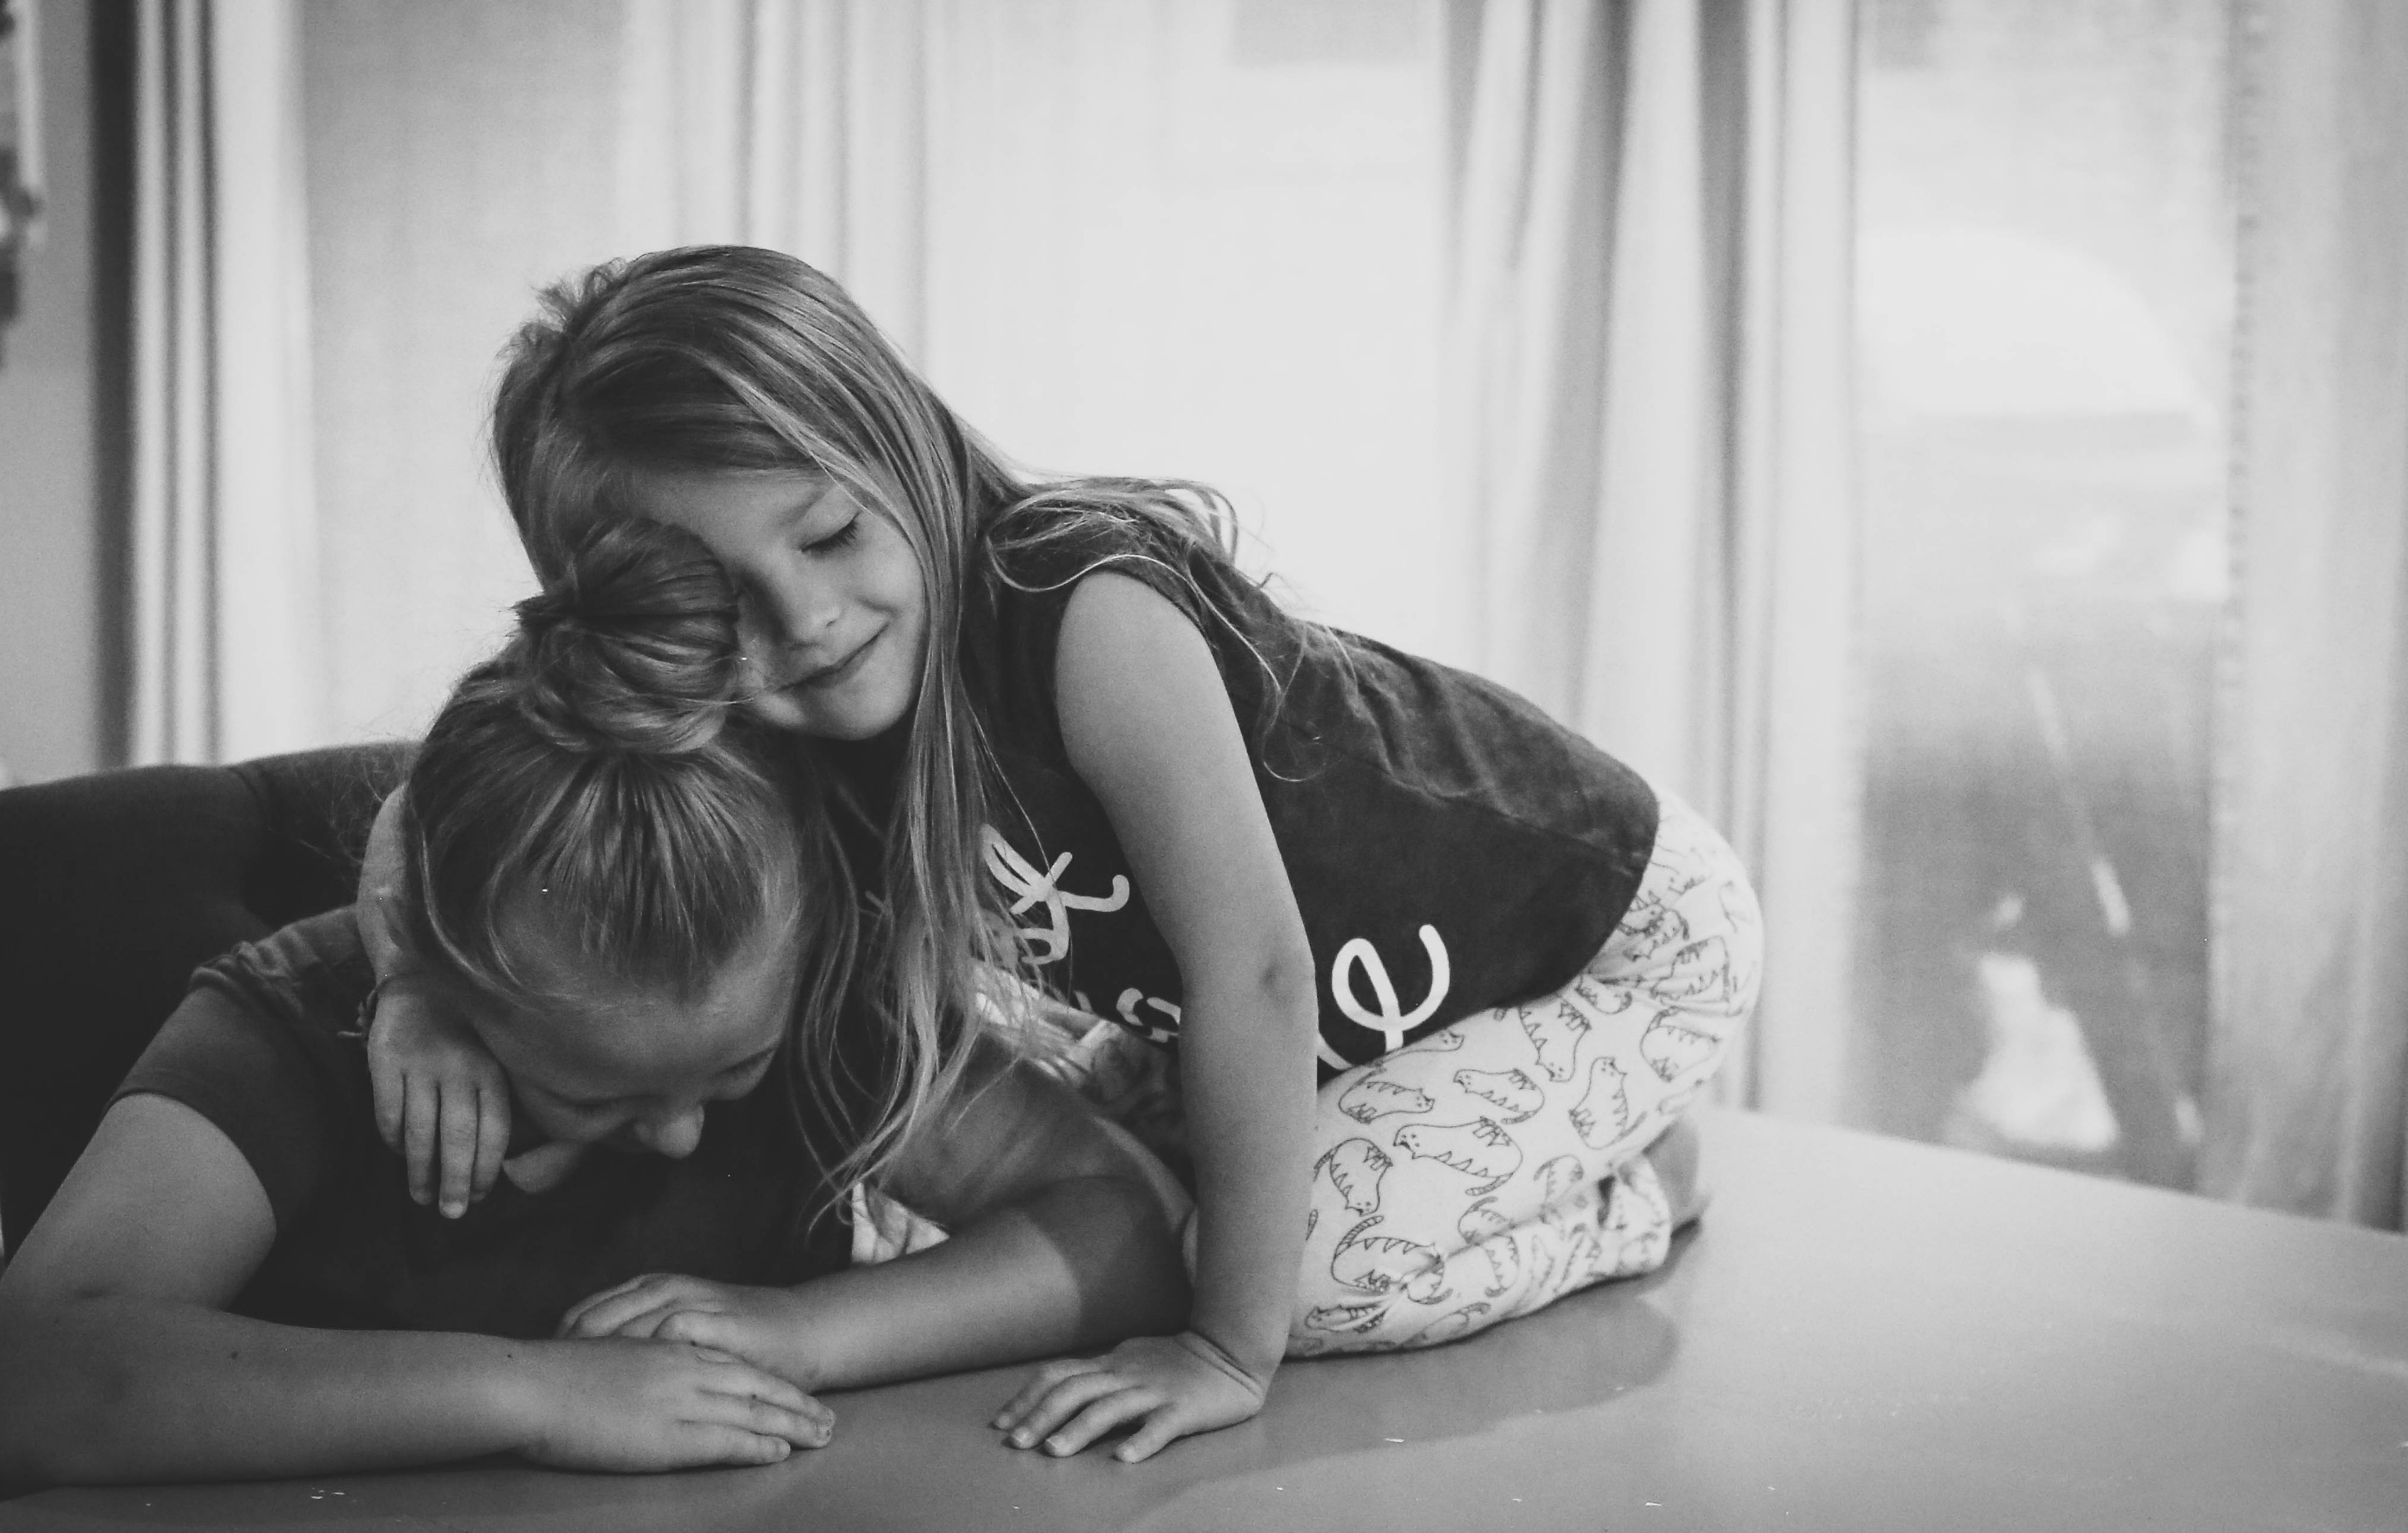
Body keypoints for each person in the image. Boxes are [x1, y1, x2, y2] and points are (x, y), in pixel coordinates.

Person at [363, 245, 1764, 1464]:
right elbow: (430, 810)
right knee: (1111, 1202)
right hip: (1355, 1028)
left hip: (1605, 939)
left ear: (901, 442)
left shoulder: (1086, 611)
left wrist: (1226, 1349)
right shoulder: (757, 707)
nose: (805, 621)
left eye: (834, 532)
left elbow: (1260, 973)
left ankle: (1642, 1186)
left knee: (1303, 1281)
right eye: (717, 604)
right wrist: (414, 988)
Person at [0, 520, 1190, 1489]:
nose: (678, 1134)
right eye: (592, 1090)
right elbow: (39, 1370)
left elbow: (1128, 1224)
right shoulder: (297, 1026)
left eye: (732, 1076)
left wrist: (803, 1330)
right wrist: (530, 1389)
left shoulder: (821, 1010)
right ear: (439, 964)